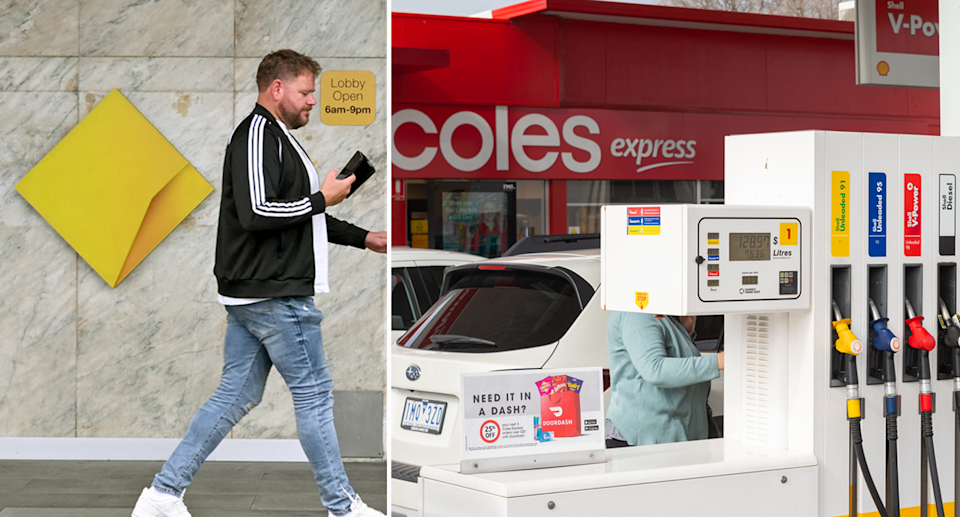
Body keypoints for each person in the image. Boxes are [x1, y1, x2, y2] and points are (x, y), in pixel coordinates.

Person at [132, 49, 387, 517]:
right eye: (306, 92)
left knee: (237, 394)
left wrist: (362, 237)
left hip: (259, 293)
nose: (312, 101)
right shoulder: (256, 136)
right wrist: (320, 197)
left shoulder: (278, 139)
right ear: (277, 89)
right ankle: (343, 507)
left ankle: (161, 496)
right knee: (313, 396)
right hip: (275, 295)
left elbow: (298, 218)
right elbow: (257, 214)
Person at [605, 312, 724, 448]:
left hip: (670, 436)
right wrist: (718, 361)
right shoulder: (637, 311)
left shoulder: (659, 311)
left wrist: (684, 333)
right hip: (645, 442)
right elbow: (654, 369)